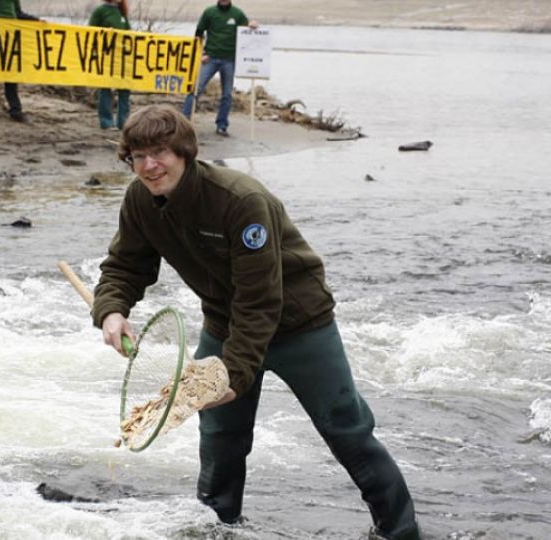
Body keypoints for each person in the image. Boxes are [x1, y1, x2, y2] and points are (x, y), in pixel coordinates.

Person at [90, 105, 421, 540]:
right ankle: (218, 528)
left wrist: (236, 374)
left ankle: (400, 531)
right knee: (220, 436)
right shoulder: (140, 199)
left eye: (160, 153)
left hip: (300, 325)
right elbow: (124, 265)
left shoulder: (241, 201)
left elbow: (260, 300)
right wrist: (112, 308)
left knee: (347, 430)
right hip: (224, 324)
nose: (149, 166)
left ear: (185, 151)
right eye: (137, 156)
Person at [182, 0, 257, 137]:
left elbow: (247, 31)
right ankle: (183, 122)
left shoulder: (237, 14)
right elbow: (199, 33)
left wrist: (252, 24)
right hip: (210, 58)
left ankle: (222, 125)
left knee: (227, 94)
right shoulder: (210, 12)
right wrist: (202, 53)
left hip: (229, 60)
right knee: (195, 89)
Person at [0, 0, 40, 122]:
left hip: (11, 38)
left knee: (11, 74)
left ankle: (15, 110)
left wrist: (35, 20)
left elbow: (18, 13)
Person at [88, 0, 131, 130]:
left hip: (121, 58)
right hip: (105, 58)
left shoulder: (121, 13)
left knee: (125, 89)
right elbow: (90, 31)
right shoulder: (100, 11)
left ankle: (124, 122)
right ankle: (106, 122)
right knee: (105, 89)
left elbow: (129, 32)